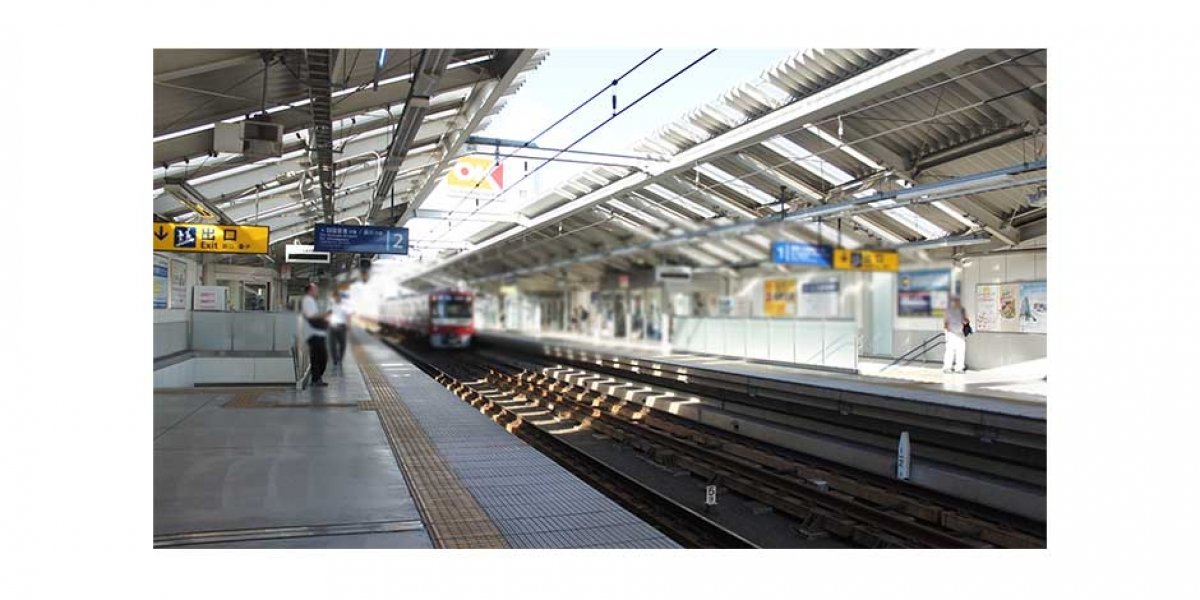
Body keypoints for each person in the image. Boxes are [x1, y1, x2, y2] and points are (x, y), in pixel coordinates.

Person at [300, 283, 332, 387]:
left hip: (316, 333)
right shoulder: (307, 300)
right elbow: (312, 317)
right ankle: (316, 379)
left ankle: (317, 378)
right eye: (315, 290)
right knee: (320, 357)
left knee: (319, 357)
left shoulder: (311, 301)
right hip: (313, 334)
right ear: (310, 290)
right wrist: (325, 315)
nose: (317, 291)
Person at [942, 296, 970, 374]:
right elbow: (945, 323)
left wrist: (965, 322)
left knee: (960, 351)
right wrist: (947, 333)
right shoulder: (948, 311)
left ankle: (959, 368)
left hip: (960, 334)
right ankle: (947, 367)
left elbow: (966, 321)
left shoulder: (962, 310)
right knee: (950, 351)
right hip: (951, 333)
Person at [328, 292, 350, 372]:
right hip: (333, 326)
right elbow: (328, 314)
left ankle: (340, 359)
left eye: (338, 297)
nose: (337, 298)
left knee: (343, 344)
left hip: (342, 326)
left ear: (340, 297)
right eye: (336, 297)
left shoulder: (344, 305)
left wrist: (349, 324)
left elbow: (348, 315)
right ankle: (335, 360)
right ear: (334, 297)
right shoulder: (331, 305)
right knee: (332, 344)